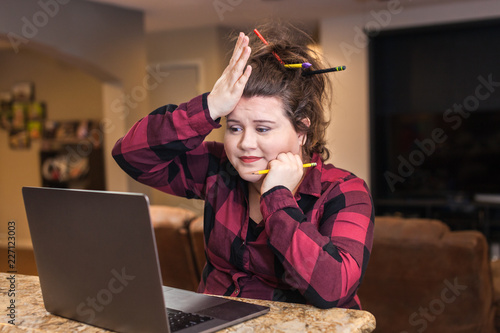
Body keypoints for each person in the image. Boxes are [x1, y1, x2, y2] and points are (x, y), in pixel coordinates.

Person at [112, 24, 374, 309]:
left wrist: (277, 199)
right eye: (235, 127)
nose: (245, 143)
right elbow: (130, 154)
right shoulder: (219, 168)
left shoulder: (344, 191)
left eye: (262, 129)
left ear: (301, 131)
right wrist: (210, 107)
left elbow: (333, 289)